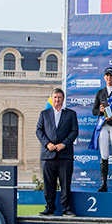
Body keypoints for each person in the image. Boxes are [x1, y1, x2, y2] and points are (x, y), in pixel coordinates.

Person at [36, 88, 79, 217]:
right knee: (49, 184)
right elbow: (39, 131)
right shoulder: (44, 114)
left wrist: (63, 144)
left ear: (63, 99)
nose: (57, 100)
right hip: (48, 155)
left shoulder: (71, 114)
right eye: (55, 97)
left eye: (59, 97)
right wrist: (47, 144)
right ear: (52, 98)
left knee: (65, 184)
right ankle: (49, 208)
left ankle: (66, 209)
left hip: (65, 155)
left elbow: (74, 132)